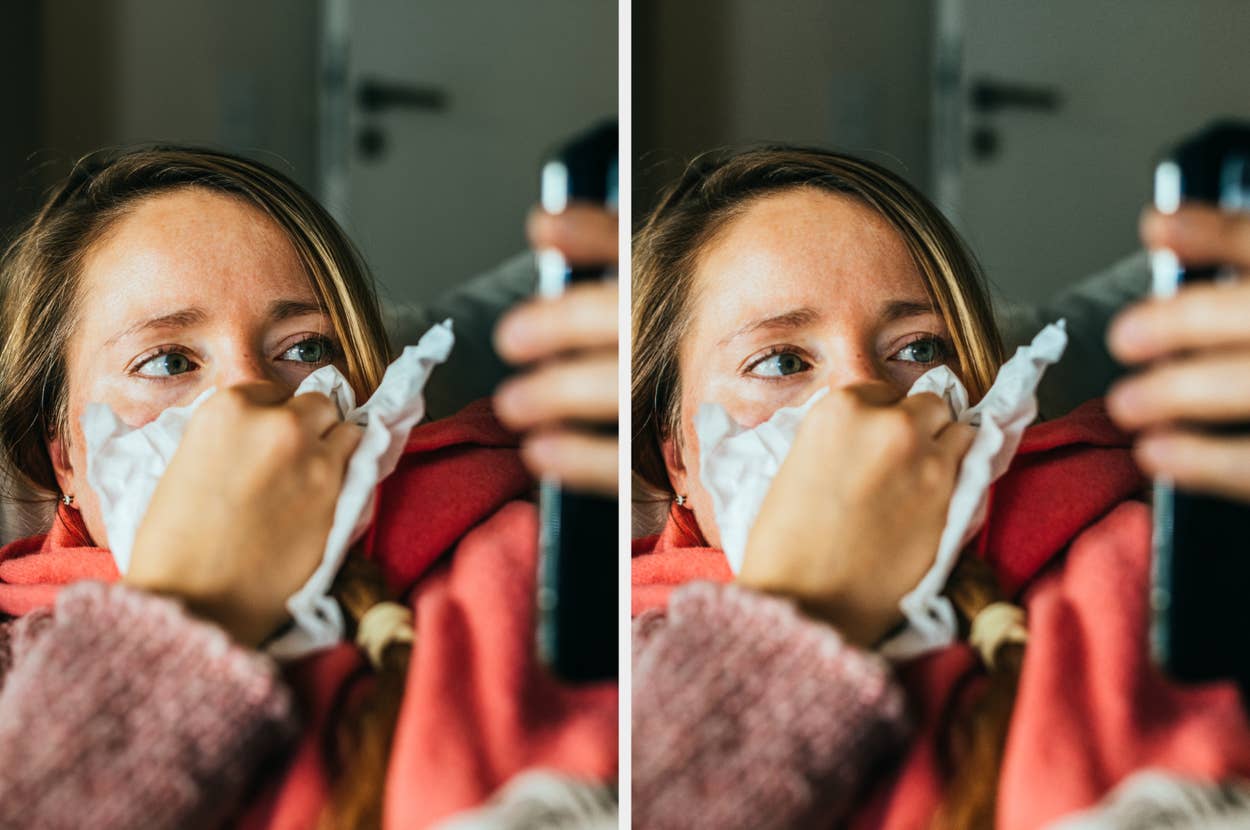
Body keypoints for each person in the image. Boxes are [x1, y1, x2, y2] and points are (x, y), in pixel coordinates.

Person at [630, 146, 1250, 830]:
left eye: (919, 349)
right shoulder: (610, 662)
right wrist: (807, 609)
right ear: (676, 456)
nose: (864, 407)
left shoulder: (1150, 540)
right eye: (781, 361)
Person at [0, 146, 617, 829]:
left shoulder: (537, 559)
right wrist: (197, 608)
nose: (250, 405)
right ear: (62, 459)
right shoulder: (15, 671)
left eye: (304, 350)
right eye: (169, 361)